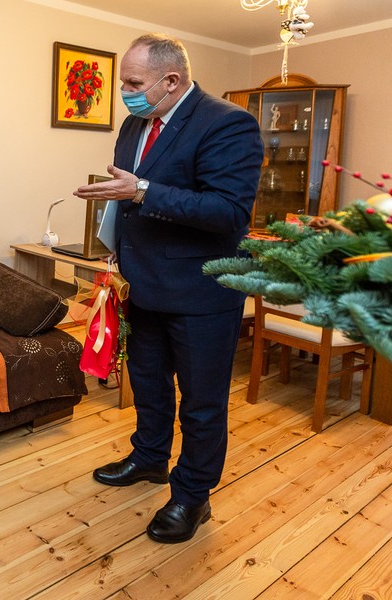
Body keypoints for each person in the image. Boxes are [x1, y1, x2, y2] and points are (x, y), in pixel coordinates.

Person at [74, 34, 263, 544]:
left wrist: (142, 190)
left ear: (171, 80)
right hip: (145, 284)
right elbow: (131, 200)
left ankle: (191, 496)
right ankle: (150, 457)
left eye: (134, 84)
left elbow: (227, 212)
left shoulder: (227, 124)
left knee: (201, 403)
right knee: (150, 386)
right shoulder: (135, 124)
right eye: (124, 84)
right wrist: (116, 244)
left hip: (202, 292)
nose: (125, 93)